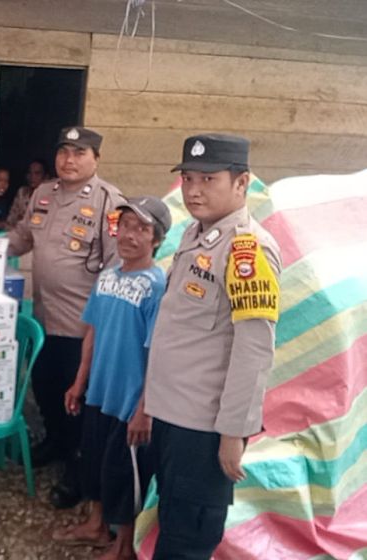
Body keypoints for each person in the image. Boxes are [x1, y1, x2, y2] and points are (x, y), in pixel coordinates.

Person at [144, 134, 281, 558]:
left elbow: (253, 351)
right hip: (171, 415)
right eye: (188, 178)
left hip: (203, 429)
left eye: (208, 179)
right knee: (172, 519)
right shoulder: (196, 233)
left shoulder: (248, 250)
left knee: (187, 540)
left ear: (241, 183)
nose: (193, 190)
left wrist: (233, 432)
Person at [7, 126, 125, 507]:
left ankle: (77, 469)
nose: (69, 160)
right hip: (44, 317)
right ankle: (56, 443)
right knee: (44, 385)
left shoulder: (110, 203)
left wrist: (102, 323)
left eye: (79, 153)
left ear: (96, 159)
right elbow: (22, 237)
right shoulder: (43, 193)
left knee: (77, 400)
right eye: (63, 152)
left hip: (81, 327)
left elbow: (117, 266)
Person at [56, 196, 171, 558]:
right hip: (99, 394)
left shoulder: (157, 287)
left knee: (124, 474)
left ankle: (124, 546)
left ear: (156, 240)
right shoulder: (107, 277)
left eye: (142, 229)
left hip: (130, 402)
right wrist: (80, 382)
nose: (130, 235)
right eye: (126, 225)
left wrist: (144, 409)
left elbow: (158, 354)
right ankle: (96, 526)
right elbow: (92, 331)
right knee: (95, 463)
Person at [5, 158, 48, 228]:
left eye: (37, 173)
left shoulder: (49, 196)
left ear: (45, 176)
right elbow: (11, 219)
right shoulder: (22, 192)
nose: (32, 177)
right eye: (29, 173)